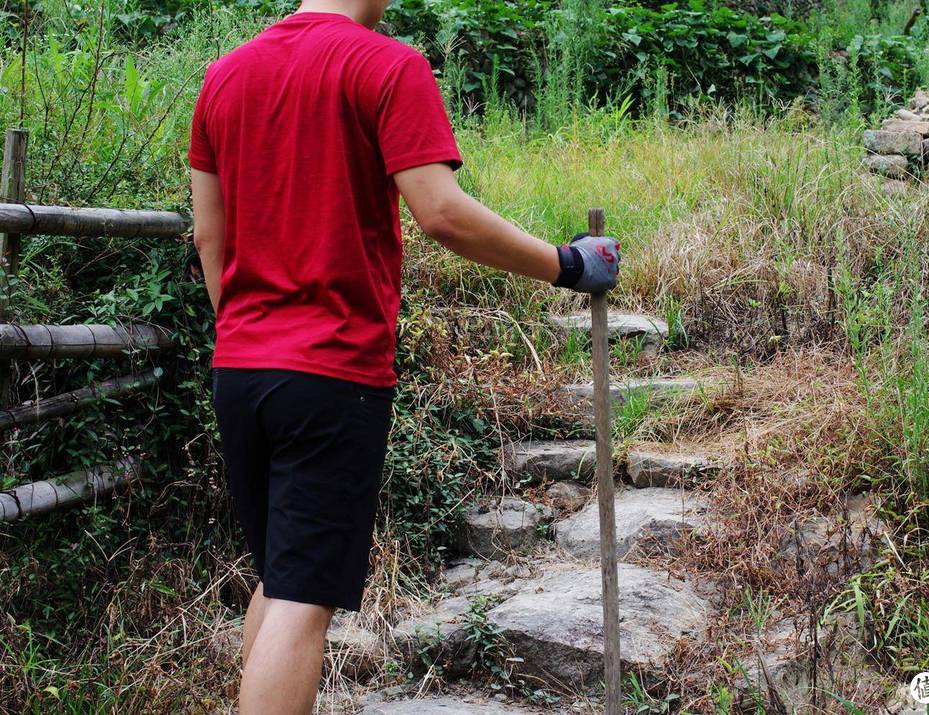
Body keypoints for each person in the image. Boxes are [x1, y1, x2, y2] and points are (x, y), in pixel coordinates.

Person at [188, 0, 621, 712]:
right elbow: (441, 211)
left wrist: (247, 336)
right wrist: (566, 263)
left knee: (279, 576)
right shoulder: (387, 65)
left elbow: (211, 238)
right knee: (301, 599)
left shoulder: (225, 76)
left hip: (240, 369)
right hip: (330, 372)